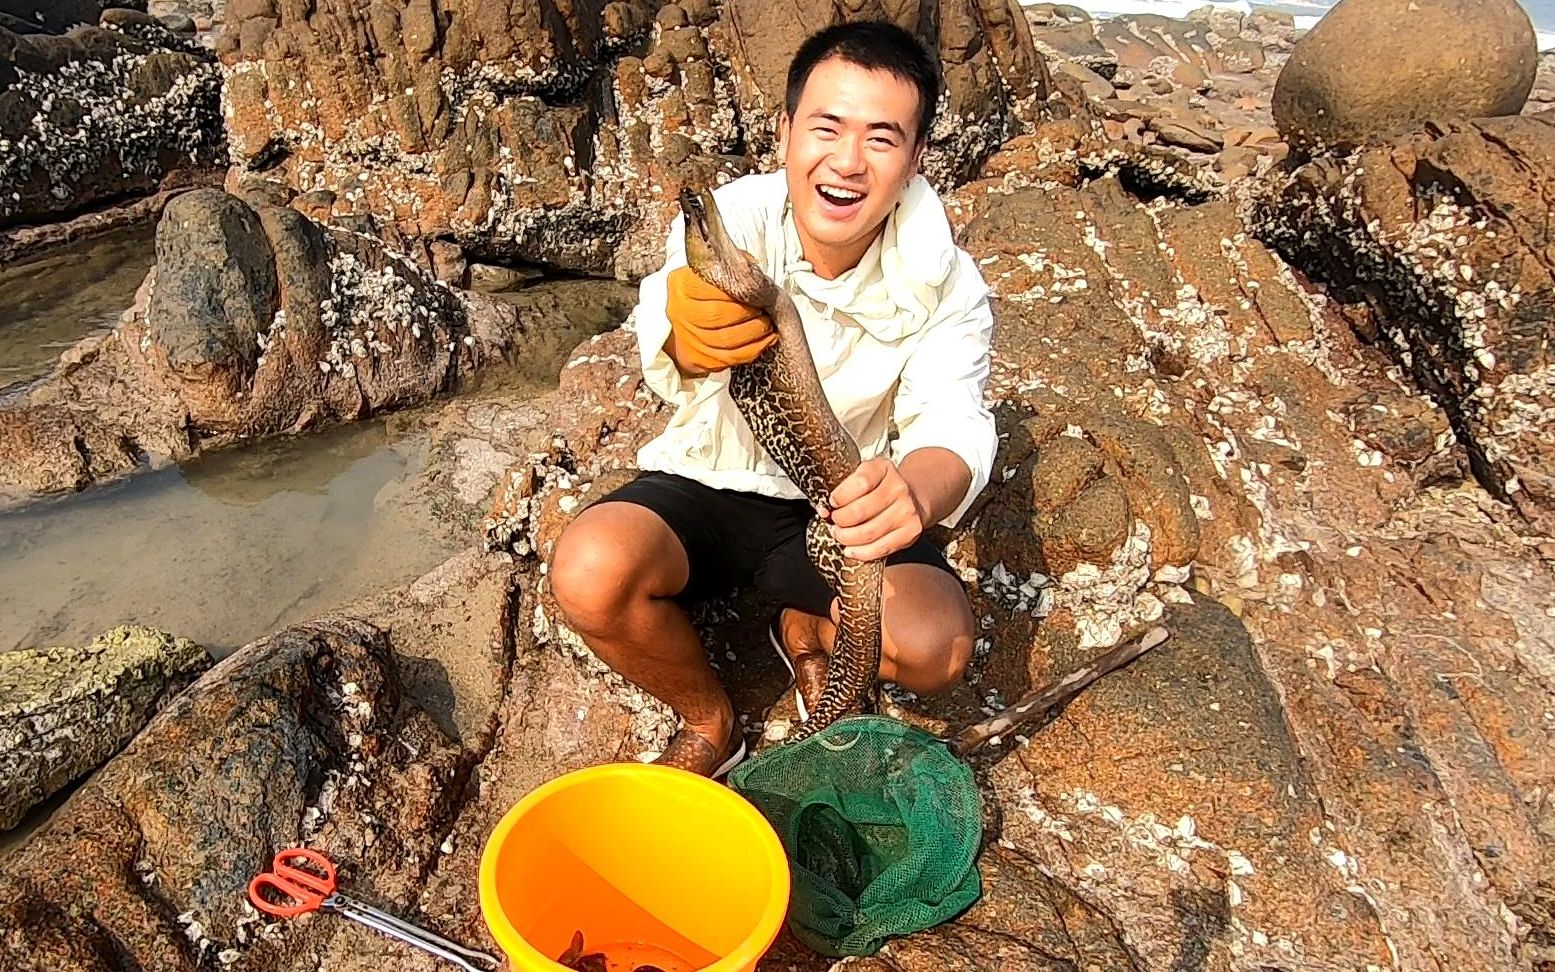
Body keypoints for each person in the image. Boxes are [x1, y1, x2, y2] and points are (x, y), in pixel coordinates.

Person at [548, 20, 996, 777]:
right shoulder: (734, 226)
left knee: (937, 649)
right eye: (827, 127)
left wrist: (913, 494)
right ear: (786, 132)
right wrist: (683, 333)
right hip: (710, 484)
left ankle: (808, 628)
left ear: (916, 161)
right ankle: (709, 718)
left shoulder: (948, 281)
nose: (847, 162)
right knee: (590, 572)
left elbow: (954, 419)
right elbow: (671, 307)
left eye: (882, 139)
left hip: (836, 507)